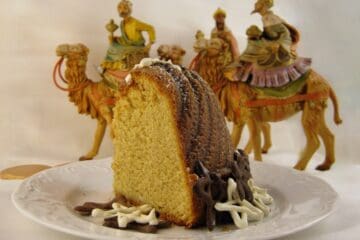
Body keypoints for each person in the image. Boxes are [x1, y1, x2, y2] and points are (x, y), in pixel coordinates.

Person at [101, 0, 156, 71]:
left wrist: (149, 44)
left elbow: (150, 28)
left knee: (122, 51)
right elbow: (126, 38)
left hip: (137, 45)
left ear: (129, 10)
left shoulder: (135, 23)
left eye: (124, 8)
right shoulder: (122, 23)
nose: (122, 10)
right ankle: (112, 65)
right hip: (128, 44)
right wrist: (116, 38)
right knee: (112, 46)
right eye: (120, 8)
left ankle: (123, 66)